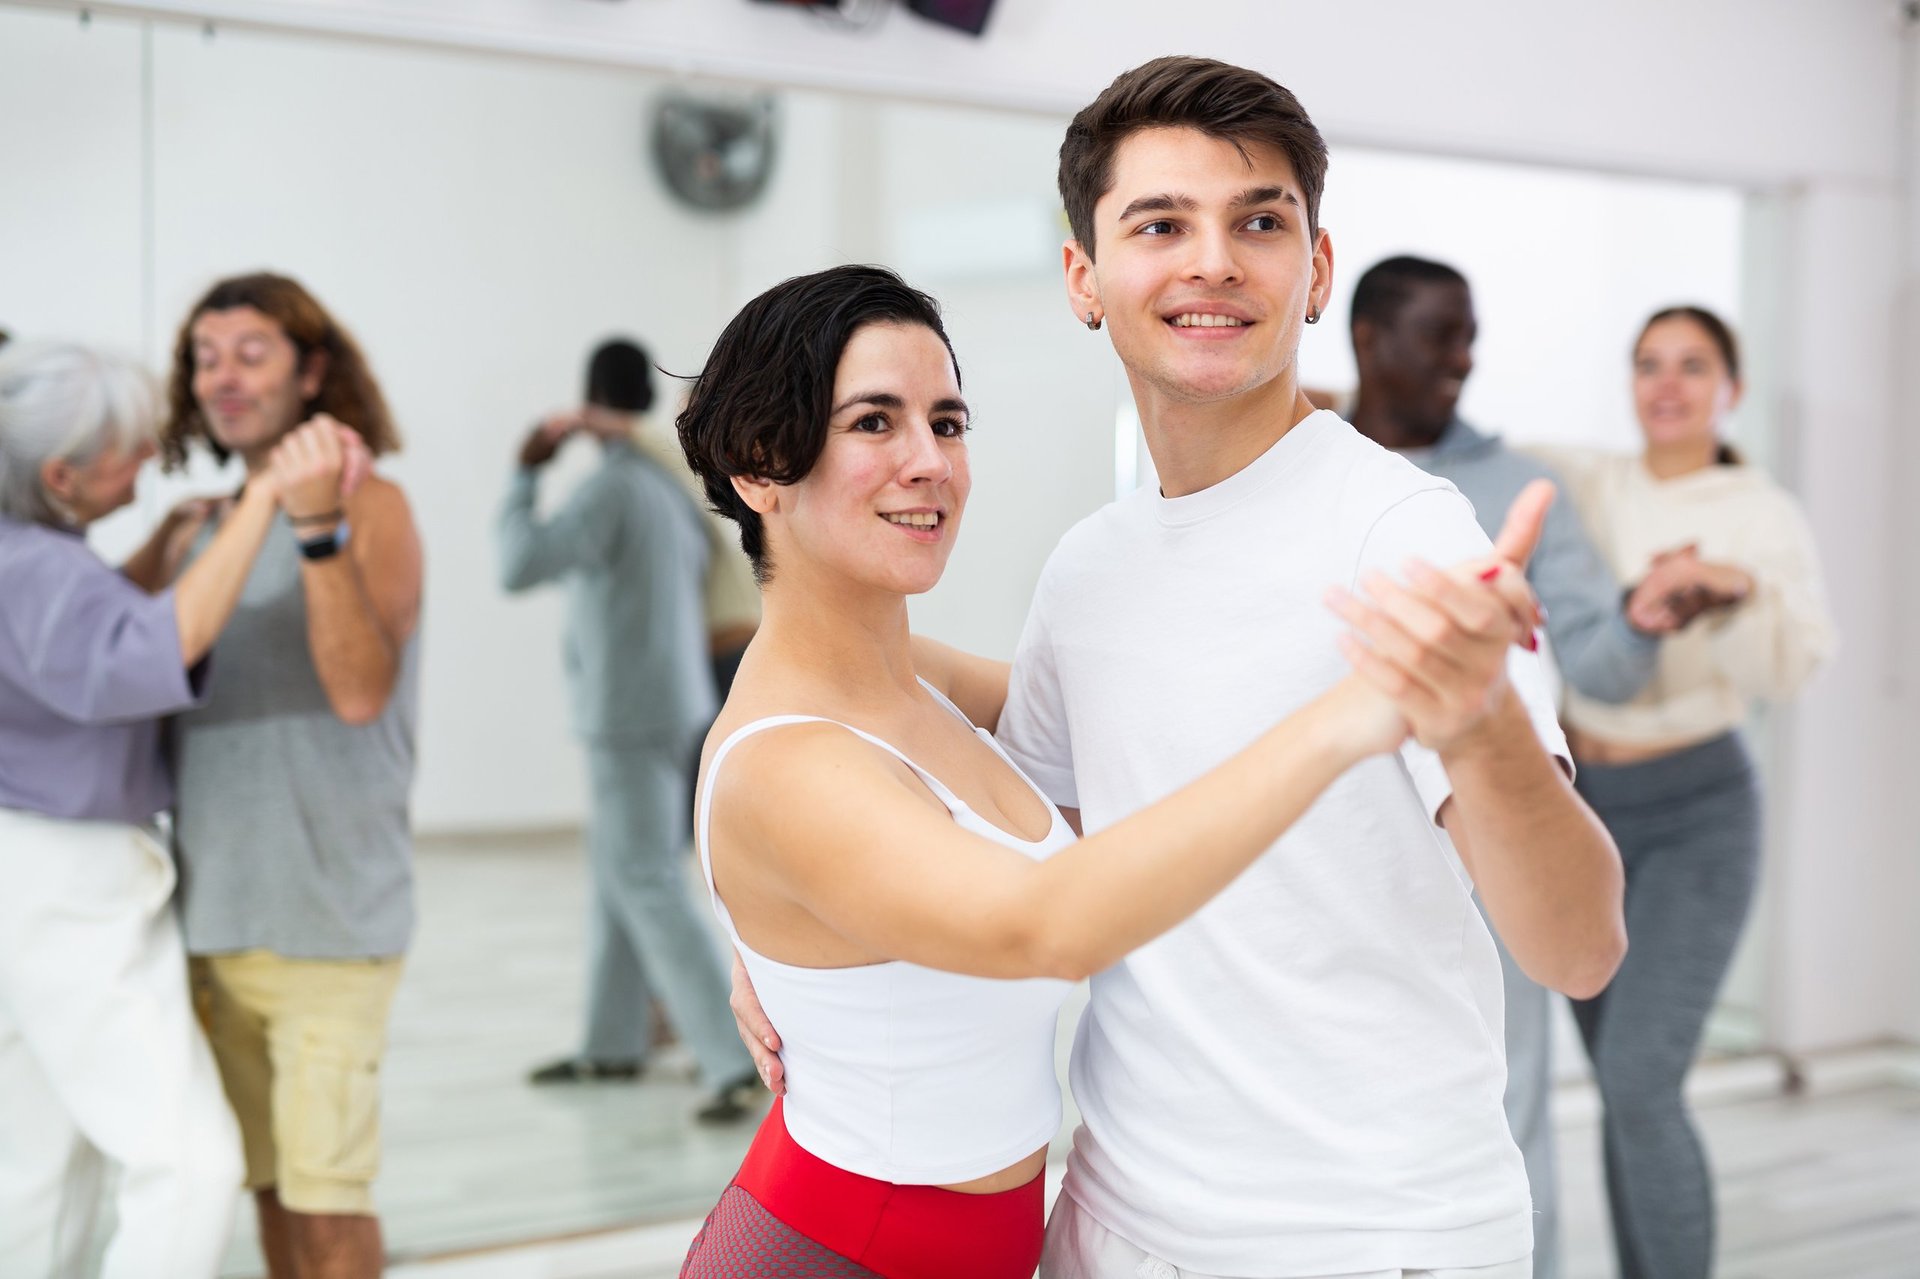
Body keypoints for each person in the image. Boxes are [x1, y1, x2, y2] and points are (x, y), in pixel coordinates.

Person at [723, 58, 1634, 1279]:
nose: (1212, 261)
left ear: (1313, 270)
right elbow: (1025, 823)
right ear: (1083, 278)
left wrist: (1482, 724)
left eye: (1259, 221)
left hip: (1363, 1240)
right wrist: (798, 922)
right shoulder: (1092, 566)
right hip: (1117, 1223)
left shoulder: (1403, 539)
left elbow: (1578, 950)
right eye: (1162, 224)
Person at [1342, 255, 1732, 1279]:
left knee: (1508, 1103)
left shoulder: (1515, 487)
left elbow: (1593, 658)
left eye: (1470, 334)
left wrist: (1642, 623)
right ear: (1369, 339)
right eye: (1441, 334)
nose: (1463, 359)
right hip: (1343, 844)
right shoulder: (1309, 468)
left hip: (1488, 834)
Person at [0, 340, 362, 1279]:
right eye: (131, 446)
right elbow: (139, 656)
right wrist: (261, 504)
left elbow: (72, 644)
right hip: (66, 886)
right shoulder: (36, 568)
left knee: (41, 1169)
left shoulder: (33, 557)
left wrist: (160, 552)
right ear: (61, 475)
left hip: (29, 874)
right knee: (192, 1165)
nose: (157, 451)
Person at [1527, 306, 1835, 1279]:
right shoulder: (1588, 481)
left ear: (1728, 391)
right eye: (1650, 364)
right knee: (1629, 1090)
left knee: (1640, 1076)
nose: (1668, 383)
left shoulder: (1759, 511)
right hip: (1581, 815)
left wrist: (1731, 585)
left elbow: (1793, 667)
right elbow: (1459, 447)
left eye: (1693, 366)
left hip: (1700, 811)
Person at [160, 272, 424, 1279]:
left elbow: (360, 690)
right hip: (212, 916)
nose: (222, 377)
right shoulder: (200, 527)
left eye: (251, 353)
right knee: (269, 1194)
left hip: (330, 922)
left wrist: (315, 524)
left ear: (313, 371)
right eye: (205, 355)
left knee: (327, 1204)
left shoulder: (376, 504)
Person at [499, 339, 759, 1115]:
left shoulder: (614, 489)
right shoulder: (670, 490)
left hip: (629, 710)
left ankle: (730, 1059)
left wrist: (523, 474)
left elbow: (518, 562)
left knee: (642, 874)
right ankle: (611, 1045)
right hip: (669, 699)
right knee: (622, 871)